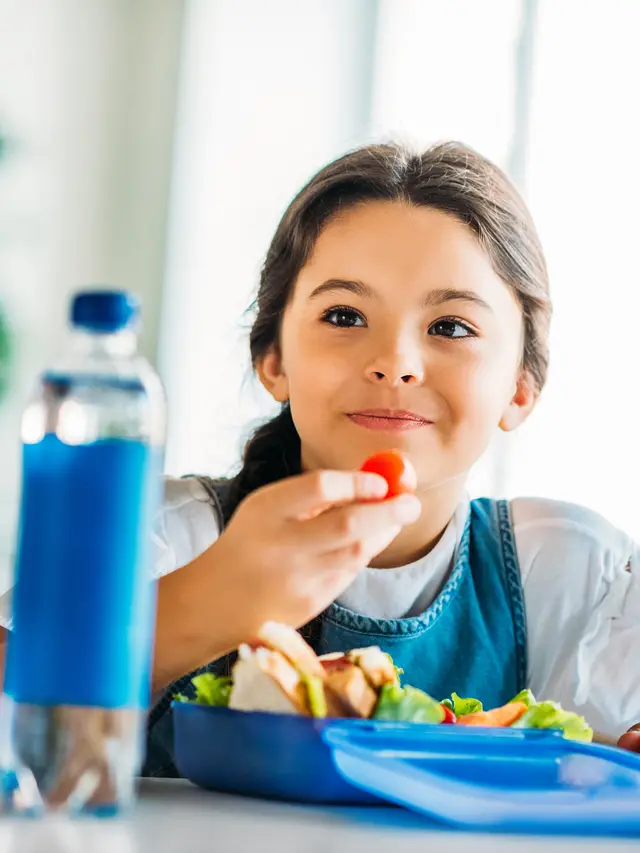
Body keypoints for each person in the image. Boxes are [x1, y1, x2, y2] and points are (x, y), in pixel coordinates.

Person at [1, 142, 639, 774]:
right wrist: (196, 608)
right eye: (344, 314)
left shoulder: (569, 573)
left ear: (522, 386)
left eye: (450, 327)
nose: (395, 362)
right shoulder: (164, 535)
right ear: (272, 360)